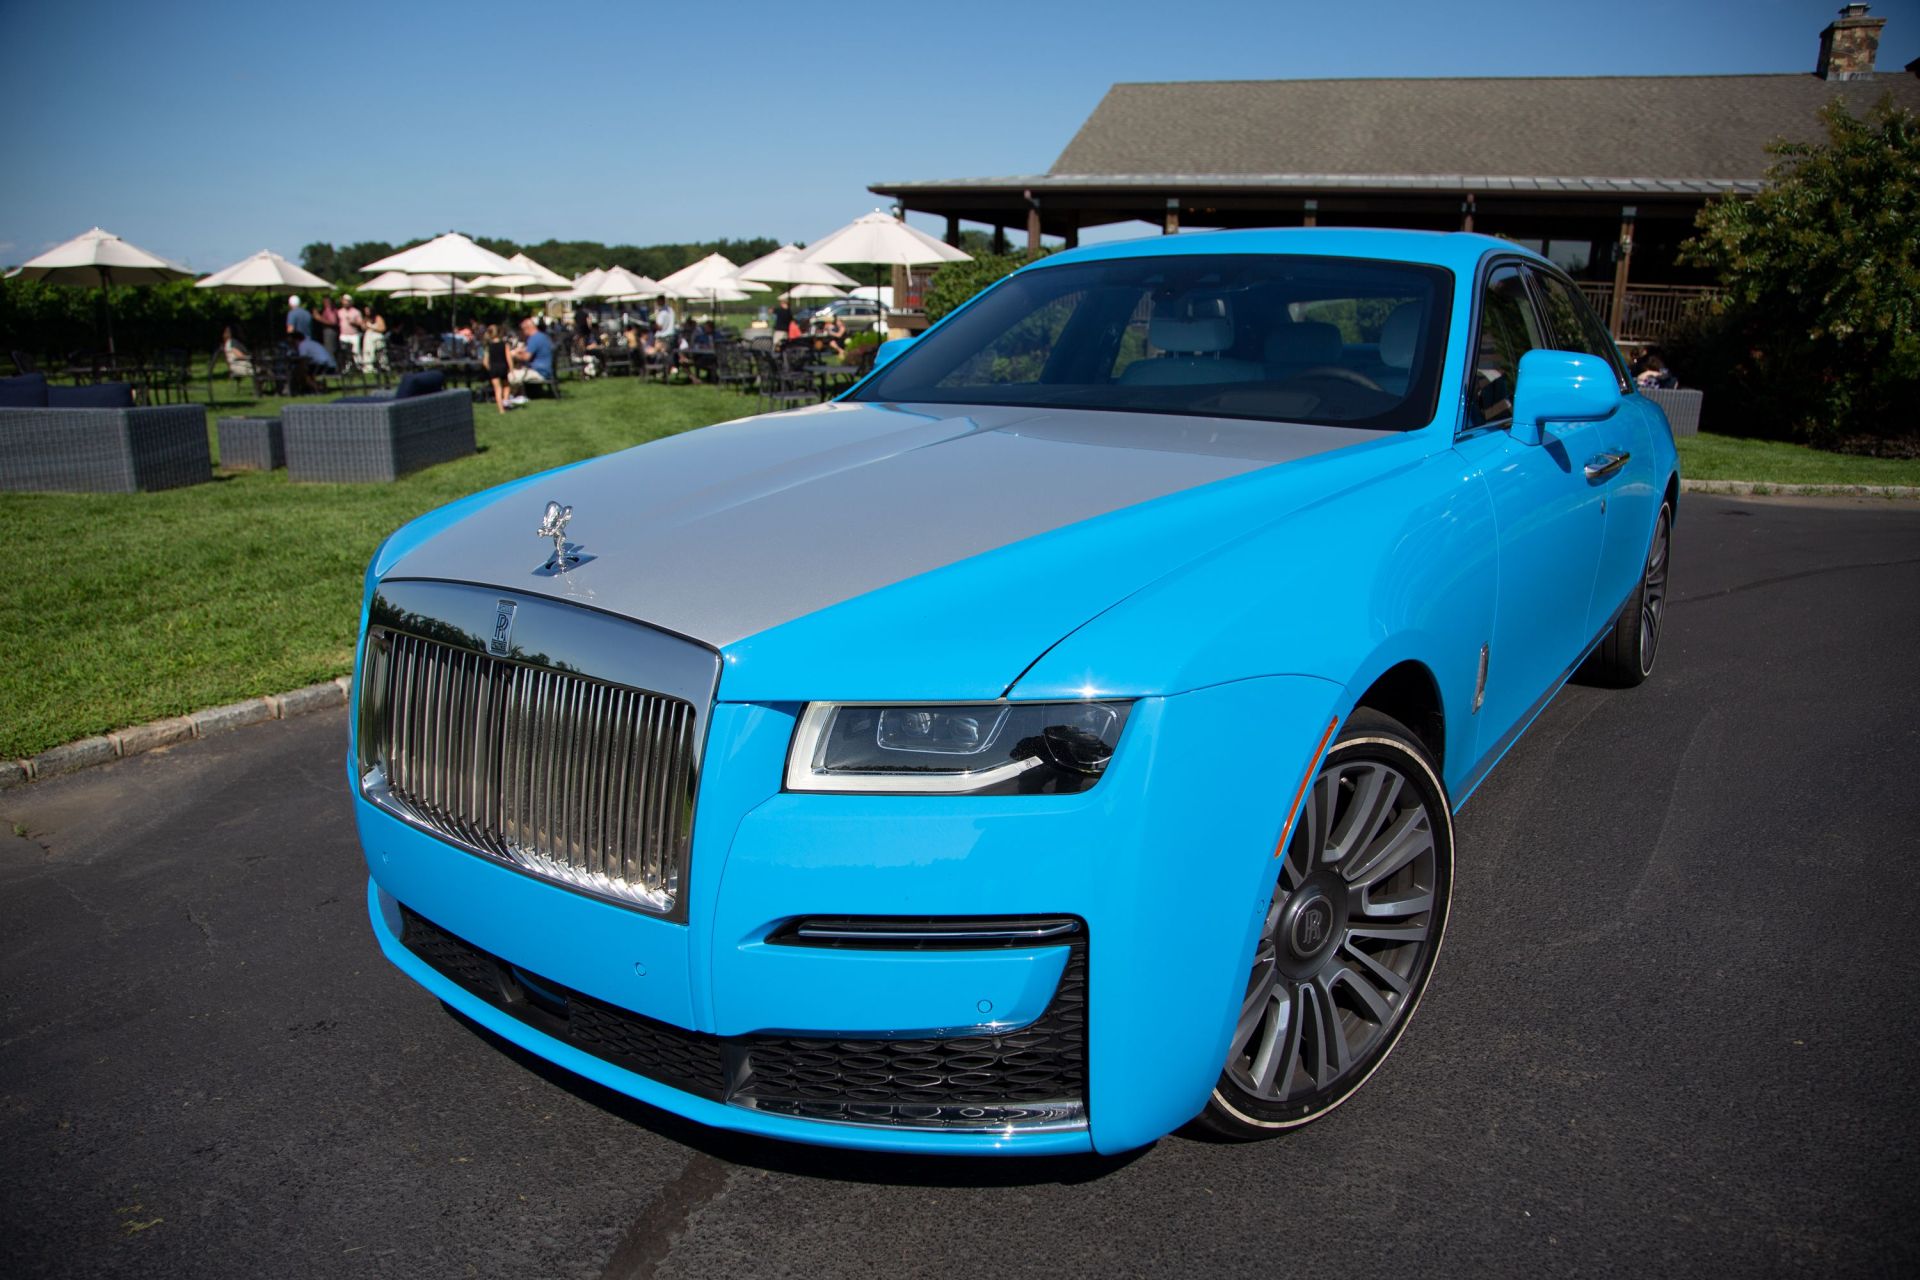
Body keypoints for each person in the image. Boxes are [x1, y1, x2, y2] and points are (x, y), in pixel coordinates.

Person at [508, 316, 553, 401]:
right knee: (517, 370)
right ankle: (519, 393)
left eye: (523, 330)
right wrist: (520, 351)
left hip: (540, 371)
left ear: (527, 328)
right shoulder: (541, 336)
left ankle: (515, 395)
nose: (522, 332)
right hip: (546, 369)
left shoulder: (534, 339)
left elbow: (526, 357)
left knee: (510, 376)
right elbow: (530, 351)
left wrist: (513, 354)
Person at [482, 323, 512, 414]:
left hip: (493, 369)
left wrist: (489, 368)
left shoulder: (488, 347)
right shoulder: (504, 345)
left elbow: (485, 362)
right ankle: (505, 401)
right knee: (506, 386)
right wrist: (511, 368)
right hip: (503, 367)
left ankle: (501, 409)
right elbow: (508, 358)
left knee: (497, 389)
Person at [337, 294, 364, 367]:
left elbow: (361, 323)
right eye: (344, 301)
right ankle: (347, 367)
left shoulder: (356, 312)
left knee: (356, 351)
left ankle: (359, 367)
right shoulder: (339, 312)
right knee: (345, 352)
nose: (346, 302)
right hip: (343, 335)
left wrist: (354, 322)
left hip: (354, 335)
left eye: (347, 301)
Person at [315, 294, 340, 361]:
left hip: (330, 332)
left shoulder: (329, 309)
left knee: (330, 350)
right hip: (329, 331)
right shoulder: (329, 309)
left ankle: (332, 367)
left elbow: (333, 322)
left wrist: (319, 318)